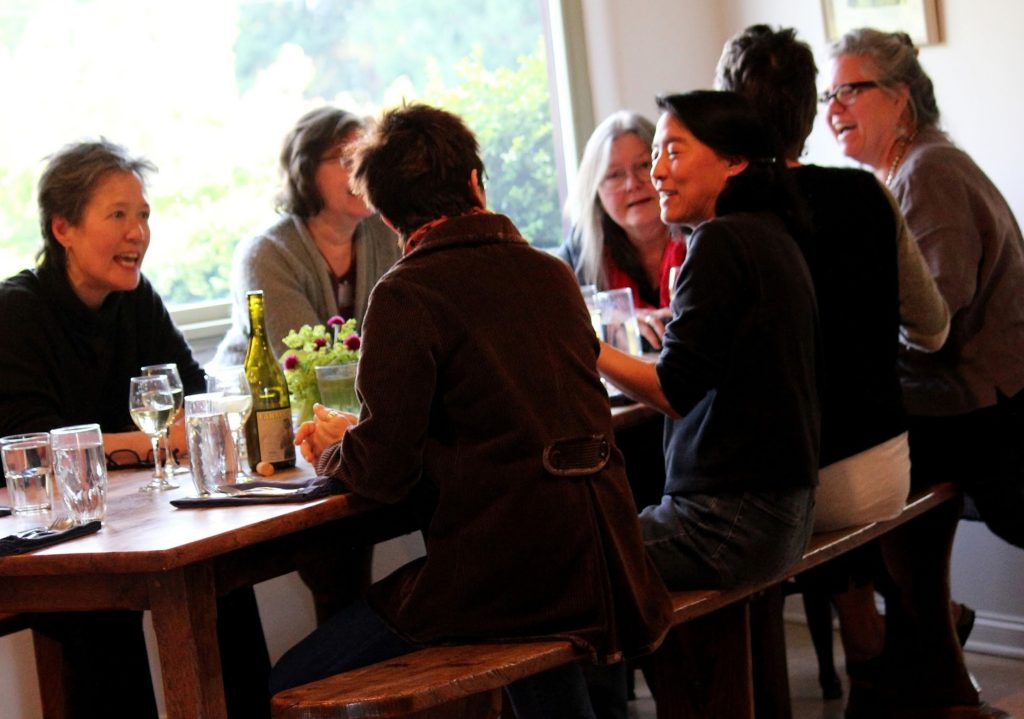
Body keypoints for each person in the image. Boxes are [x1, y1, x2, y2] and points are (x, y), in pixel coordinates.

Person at [269, 103, 674, 719]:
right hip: (597, 562)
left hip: (501, 583)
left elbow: (383, 474)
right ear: (475, 182)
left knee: (281, 684)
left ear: (386, 215)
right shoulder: (552, 274)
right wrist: (364, 435)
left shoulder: (407, 293)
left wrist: (333, 449)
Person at [715, 24, 953, 710]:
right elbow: (933, 328)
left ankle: (820, 668)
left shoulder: (727, 217)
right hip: (887, 465)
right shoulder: (868, 194)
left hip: (803, 486)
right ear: (808, 106)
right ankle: (877, 648)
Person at [0, 139, 271, 719]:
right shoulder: (16, 311)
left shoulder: (135, 298)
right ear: (64, 228)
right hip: (43, 539)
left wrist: (124, 443)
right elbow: (38, 453)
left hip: (125, 514)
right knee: (101, 611)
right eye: (118, 214)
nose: (138, 233)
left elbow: (196, 402)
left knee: (221, 574)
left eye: (143, 215)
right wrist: (152, 442)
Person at [822, 28, 1024, 717]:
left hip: (984, 412)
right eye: (826, 97)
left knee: (842, 474)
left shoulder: (926, 172)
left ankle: (901, 657)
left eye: (849, 91)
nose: (833, 109)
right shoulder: (908, 171)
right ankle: (923, 657)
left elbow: (936, 318)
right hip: (961, 405)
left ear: (900, 97)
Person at [213, 106, 400, 365]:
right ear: (306, 170)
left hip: (356, 390)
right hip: (260, 391)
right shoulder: (266, 254)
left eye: (366, 157)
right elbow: (304, 363)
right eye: (347, 159)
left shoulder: (389, 233)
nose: (363, 170)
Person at [556, 110, 686, 350]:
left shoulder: (705, 237)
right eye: (614, 175)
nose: (632, 184)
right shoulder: (579, 254)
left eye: (644, 165)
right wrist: (616, 321)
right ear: (596, 192)